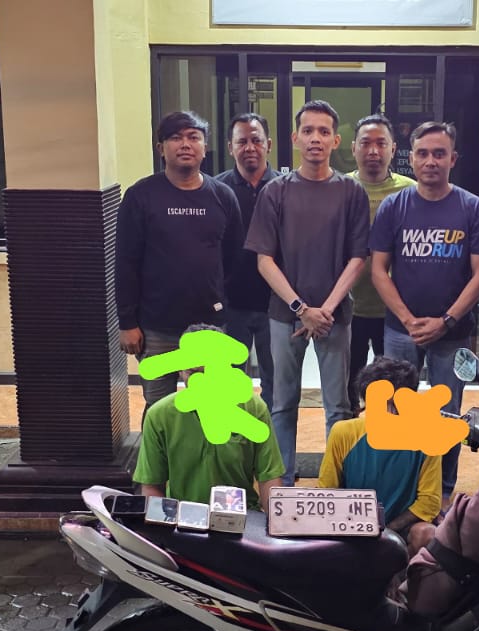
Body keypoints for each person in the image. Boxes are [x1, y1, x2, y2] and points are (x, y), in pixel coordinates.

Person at [247, 100, 371, 486]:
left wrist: (325, 310)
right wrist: (302, 309)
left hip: (335, 318)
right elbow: (264, 260)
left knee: (338, 407)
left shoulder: (351, 191)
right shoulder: (275, 191)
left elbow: (358, 258)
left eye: (323, 131)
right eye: (308, 131)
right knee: (282, 403)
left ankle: (335, 484)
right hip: (284, 316)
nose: (315, 138)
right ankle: (281, 482)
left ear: (336, 140)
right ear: (295, 138)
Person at [368, 121, 479, 499]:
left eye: (439, 153)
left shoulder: (472, 208)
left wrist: (446, 320)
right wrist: (408, 320)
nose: (431, 161)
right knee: (393, 411)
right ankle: (397, 490)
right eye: (423, 153)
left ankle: (442, 492)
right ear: (411, 159)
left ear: (453, 159)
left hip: (452, 334)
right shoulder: (394, 206)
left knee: (447, 415)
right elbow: (378, 270)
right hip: (400, 330)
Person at [117, 111, 246, 410]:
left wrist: (218, 302)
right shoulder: (140, 196)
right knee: (158, 407)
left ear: (205, 147)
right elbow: (125, 263)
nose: (185, 144)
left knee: (212, 407)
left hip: (209, 327)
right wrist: (127, 323)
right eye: (175, 137)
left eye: (193, 137)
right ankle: (157, 446)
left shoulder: (223, 196)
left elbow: (233, 258)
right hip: (155, 328)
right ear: (161, 148)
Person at [134, 324, 285, 509]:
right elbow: (151, 486)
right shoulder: (159, 416)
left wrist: (275, 521)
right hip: (182, 518)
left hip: (242, 517)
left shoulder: (254, 409)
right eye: (192, 372)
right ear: (181, 371)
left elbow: (269, 478)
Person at [318, 357, 439, 558]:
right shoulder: (344, 433)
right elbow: (327, 491)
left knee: (427, 534)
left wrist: (387, 531)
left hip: (401, 528)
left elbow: (429, 503)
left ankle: (407, 573)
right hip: (351, 528)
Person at [346, 114, 417, 411]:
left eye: (381, 144)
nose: (373, 151)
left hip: (393, 312)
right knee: (348, 385)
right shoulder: (341, 187)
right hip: (349, 309)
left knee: (391, 390)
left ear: (393, 148)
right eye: (366, 143)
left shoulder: (410, 191)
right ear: (353, 148)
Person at [214, 113, 282, 411]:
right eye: (242, 141)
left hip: (276, 306)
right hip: (231, 306)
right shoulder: (216, 190)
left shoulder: (284, 187)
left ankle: (271, 437)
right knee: (229, 385)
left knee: (276, 385)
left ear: (269, 144)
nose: (250, 147)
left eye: (256, 140)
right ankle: (236, 438)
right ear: (231, 147)